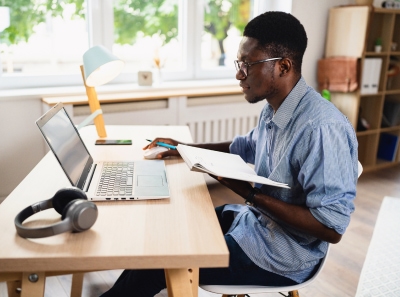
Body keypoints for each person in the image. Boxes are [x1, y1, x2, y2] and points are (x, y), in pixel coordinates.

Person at [100, 11, 358, 297]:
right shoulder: (275, 108)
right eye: (239, 63)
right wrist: (182, 148)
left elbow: (331, 228)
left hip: (282, 256)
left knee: (162, 260)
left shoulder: (321, 128)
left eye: (248, 64)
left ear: (283, 66)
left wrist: (248, 194)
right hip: (256, 223)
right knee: (172, 234)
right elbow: (245, 146)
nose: (239, 74)